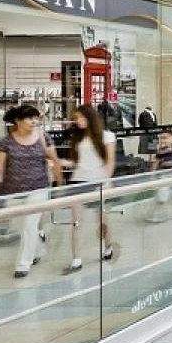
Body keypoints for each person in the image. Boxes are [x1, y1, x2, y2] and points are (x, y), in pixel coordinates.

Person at [0, 105, 65, 278]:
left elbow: (55, 160)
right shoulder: (6, 142)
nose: (34, 121)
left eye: (36, 118)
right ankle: (37, 250)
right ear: (17, 121)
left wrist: (60, 185)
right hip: (12, 192)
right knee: (22, 227)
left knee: (30, 225)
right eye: (30, 118)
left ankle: (23, 265)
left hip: (38, 189)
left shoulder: (43, 138)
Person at [62, 104, 117, 275]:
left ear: (90, 117)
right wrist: (65, 163)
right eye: (76, 118)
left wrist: (105, 182)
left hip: (98, 182)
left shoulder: (106, 136)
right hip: (78, 182)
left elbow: (110, 161)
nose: (77, 121)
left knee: (102, 220)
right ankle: (76, 259)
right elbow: (79, 162)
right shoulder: (78, 138)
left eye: (80, 117)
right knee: (76, 222)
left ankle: (108, 247)